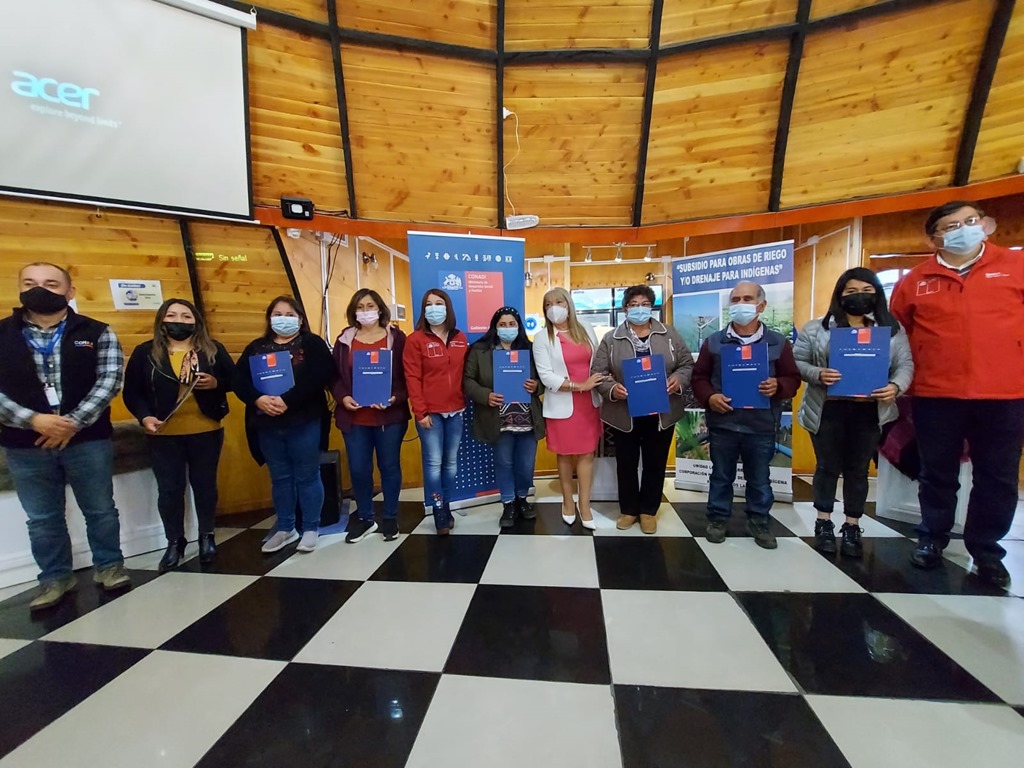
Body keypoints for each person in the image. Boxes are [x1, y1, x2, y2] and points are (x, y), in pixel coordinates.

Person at [890, 200, 1024, 587]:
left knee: (997, 477)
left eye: (970, 221)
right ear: (934, 238)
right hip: (937, 394)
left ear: (983, 224)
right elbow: (899, 333)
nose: (964, 229)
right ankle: (931, 538)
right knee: (936, 473)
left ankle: (987, 551)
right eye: (952, 226)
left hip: (1004, 393)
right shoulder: (915, 281)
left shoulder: (1015, 265)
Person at [0, 263, 129, 610]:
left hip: (88, 440)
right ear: (19, 288)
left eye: (51, 283)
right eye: (30, 282)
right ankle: (55, 577)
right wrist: (34, 420)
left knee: (101, 509)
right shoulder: (2, 333)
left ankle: (109, 566)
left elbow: (109, 381)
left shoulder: (97, 331)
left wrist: (71, 422)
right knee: (42, 518)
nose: (39, 289)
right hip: (25, 443)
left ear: (69, 292)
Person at [794, 269, 913, 557]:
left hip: (870, 411)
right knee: (826, 467)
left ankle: (852, 526)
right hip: (826, 410)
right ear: (840, 294)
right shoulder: (817, 328)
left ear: (876, 293)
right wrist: (818, 373)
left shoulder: (891, 329)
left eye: (866, 290)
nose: (859, 295)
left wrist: (896, 386)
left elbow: (905, 364)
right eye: (851, 291)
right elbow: (797, 361)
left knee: (858, 470)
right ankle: (823, 523)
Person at [123, 298, 235, 571]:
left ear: (196, 321)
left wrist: (216, 383)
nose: (179, 321)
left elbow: (235, 380)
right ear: (161, 320)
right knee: (170, 490)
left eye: (186, 316)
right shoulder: (145, 352)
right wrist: (145, 417)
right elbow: (132, 392)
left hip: (206, 430)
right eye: (172, 315)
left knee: (205, 486)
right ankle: (175, 541)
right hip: (163, 433)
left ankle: (207, 535)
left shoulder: (213, 349)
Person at [691, 281, 801, 549]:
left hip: (761, 425)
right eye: (736, 299)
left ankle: (759, 520)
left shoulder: (778, 342)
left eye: (747, 299)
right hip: (723, 424)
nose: (741, 304)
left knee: (760, 478)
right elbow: (699, 378)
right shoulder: (714, 342)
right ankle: (718, 519)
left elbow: (793, 378)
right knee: (721, 476)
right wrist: (710, 397)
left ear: (761, 305)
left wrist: (779, 386)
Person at [234, 296, 334, 554]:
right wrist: (258, 399)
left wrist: (287, 400)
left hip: (304, 420)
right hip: (267, 423)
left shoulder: (312, 344)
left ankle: (311, 528)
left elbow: (320, 375)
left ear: (300, 319)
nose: (283, 319)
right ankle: (286, 528)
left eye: (290, 314)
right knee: (280, 478)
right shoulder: (257, 347)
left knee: (308, 475)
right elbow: (239, 380)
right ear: (269, 318)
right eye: (278, 314)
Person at [593, 285, 694, 534]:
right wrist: (612, 388)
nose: (639, 308)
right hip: (624, 412)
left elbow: (686, 364)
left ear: (652, 307)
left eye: (645, 304)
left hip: (661, 412)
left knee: (655, 462)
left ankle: (649, 510)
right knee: (626, 463)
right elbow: (598, 372)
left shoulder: (669, 334)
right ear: (625, 308)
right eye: (634, 304)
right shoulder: (611, 338)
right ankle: (628, 510)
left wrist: (678, 380)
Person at [332, 289, 410, 543]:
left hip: (389, 417)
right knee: (359, 469)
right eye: (360, 307)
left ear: (380, 309)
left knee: (389, 466)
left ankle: (390, 517)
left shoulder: (397, 338)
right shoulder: (344, 340)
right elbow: (334, 377)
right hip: (355, 418)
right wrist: (343, 397)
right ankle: (366, 518)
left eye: (370, 306)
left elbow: (408, 376)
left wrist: (395, 397)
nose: (365, 311)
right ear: (353, 312)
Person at [464, 306, 544, 528]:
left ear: (518, 327)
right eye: (502, 324)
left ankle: (522, 498)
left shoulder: (530, 349)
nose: (507, 328)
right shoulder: (479, 350)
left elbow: (544, 377)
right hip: (498, 419)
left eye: (512, 324)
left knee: (526, 464)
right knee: (504, 462)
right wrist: (485, 395)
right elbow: (468, 381)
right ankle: (508, 502)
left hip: (527, 418)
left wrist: (537, 386)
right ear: (495, 327)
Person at [533, 287, 606, 529]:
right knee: (564, 455)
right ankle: (567, 502)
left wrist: (596, 383)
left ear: (569, 304)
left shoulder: (586, 328)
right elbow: (546, 376)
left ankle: (584, 505)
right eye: (548, 304)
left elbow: (598, 361)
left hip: (589, 404)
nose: (553, 307)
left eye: (558, 302)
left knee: (586, 454)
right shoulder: (542, 338)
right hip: (561, 405)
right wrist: (579, 385)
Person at [403, 289, 469, 535]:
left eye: (439, 303)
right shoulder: (415, 340)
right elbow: (412, 377)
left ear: (447, 307)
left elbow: (466, 372)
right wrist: (420, 412)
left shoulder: (460, 338)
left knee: (450, 464)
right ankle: (439, 509)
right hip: (430, 414)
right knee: (433, 464)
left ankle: (447, 505)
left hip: (456, 411)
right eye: (428, 304)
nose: (433, 308)